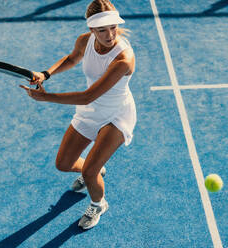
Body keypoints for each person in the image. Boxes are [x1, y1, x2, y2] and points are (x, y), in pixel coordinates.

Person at [20, 0, 136, 229]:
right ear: (91, 29)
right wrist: (45, 74)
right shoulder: (85, 41)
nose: (110, 34)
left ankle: (98, 203)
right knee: (63, 164)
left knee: (90, 172)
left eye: (113, 27)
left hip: (116, 114)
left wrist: (47, 97)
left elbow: (87, 96)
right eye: (101, 29)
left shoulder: (124, 59)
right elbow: (73, 59)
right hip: (91, 111)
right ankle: (94, 168)